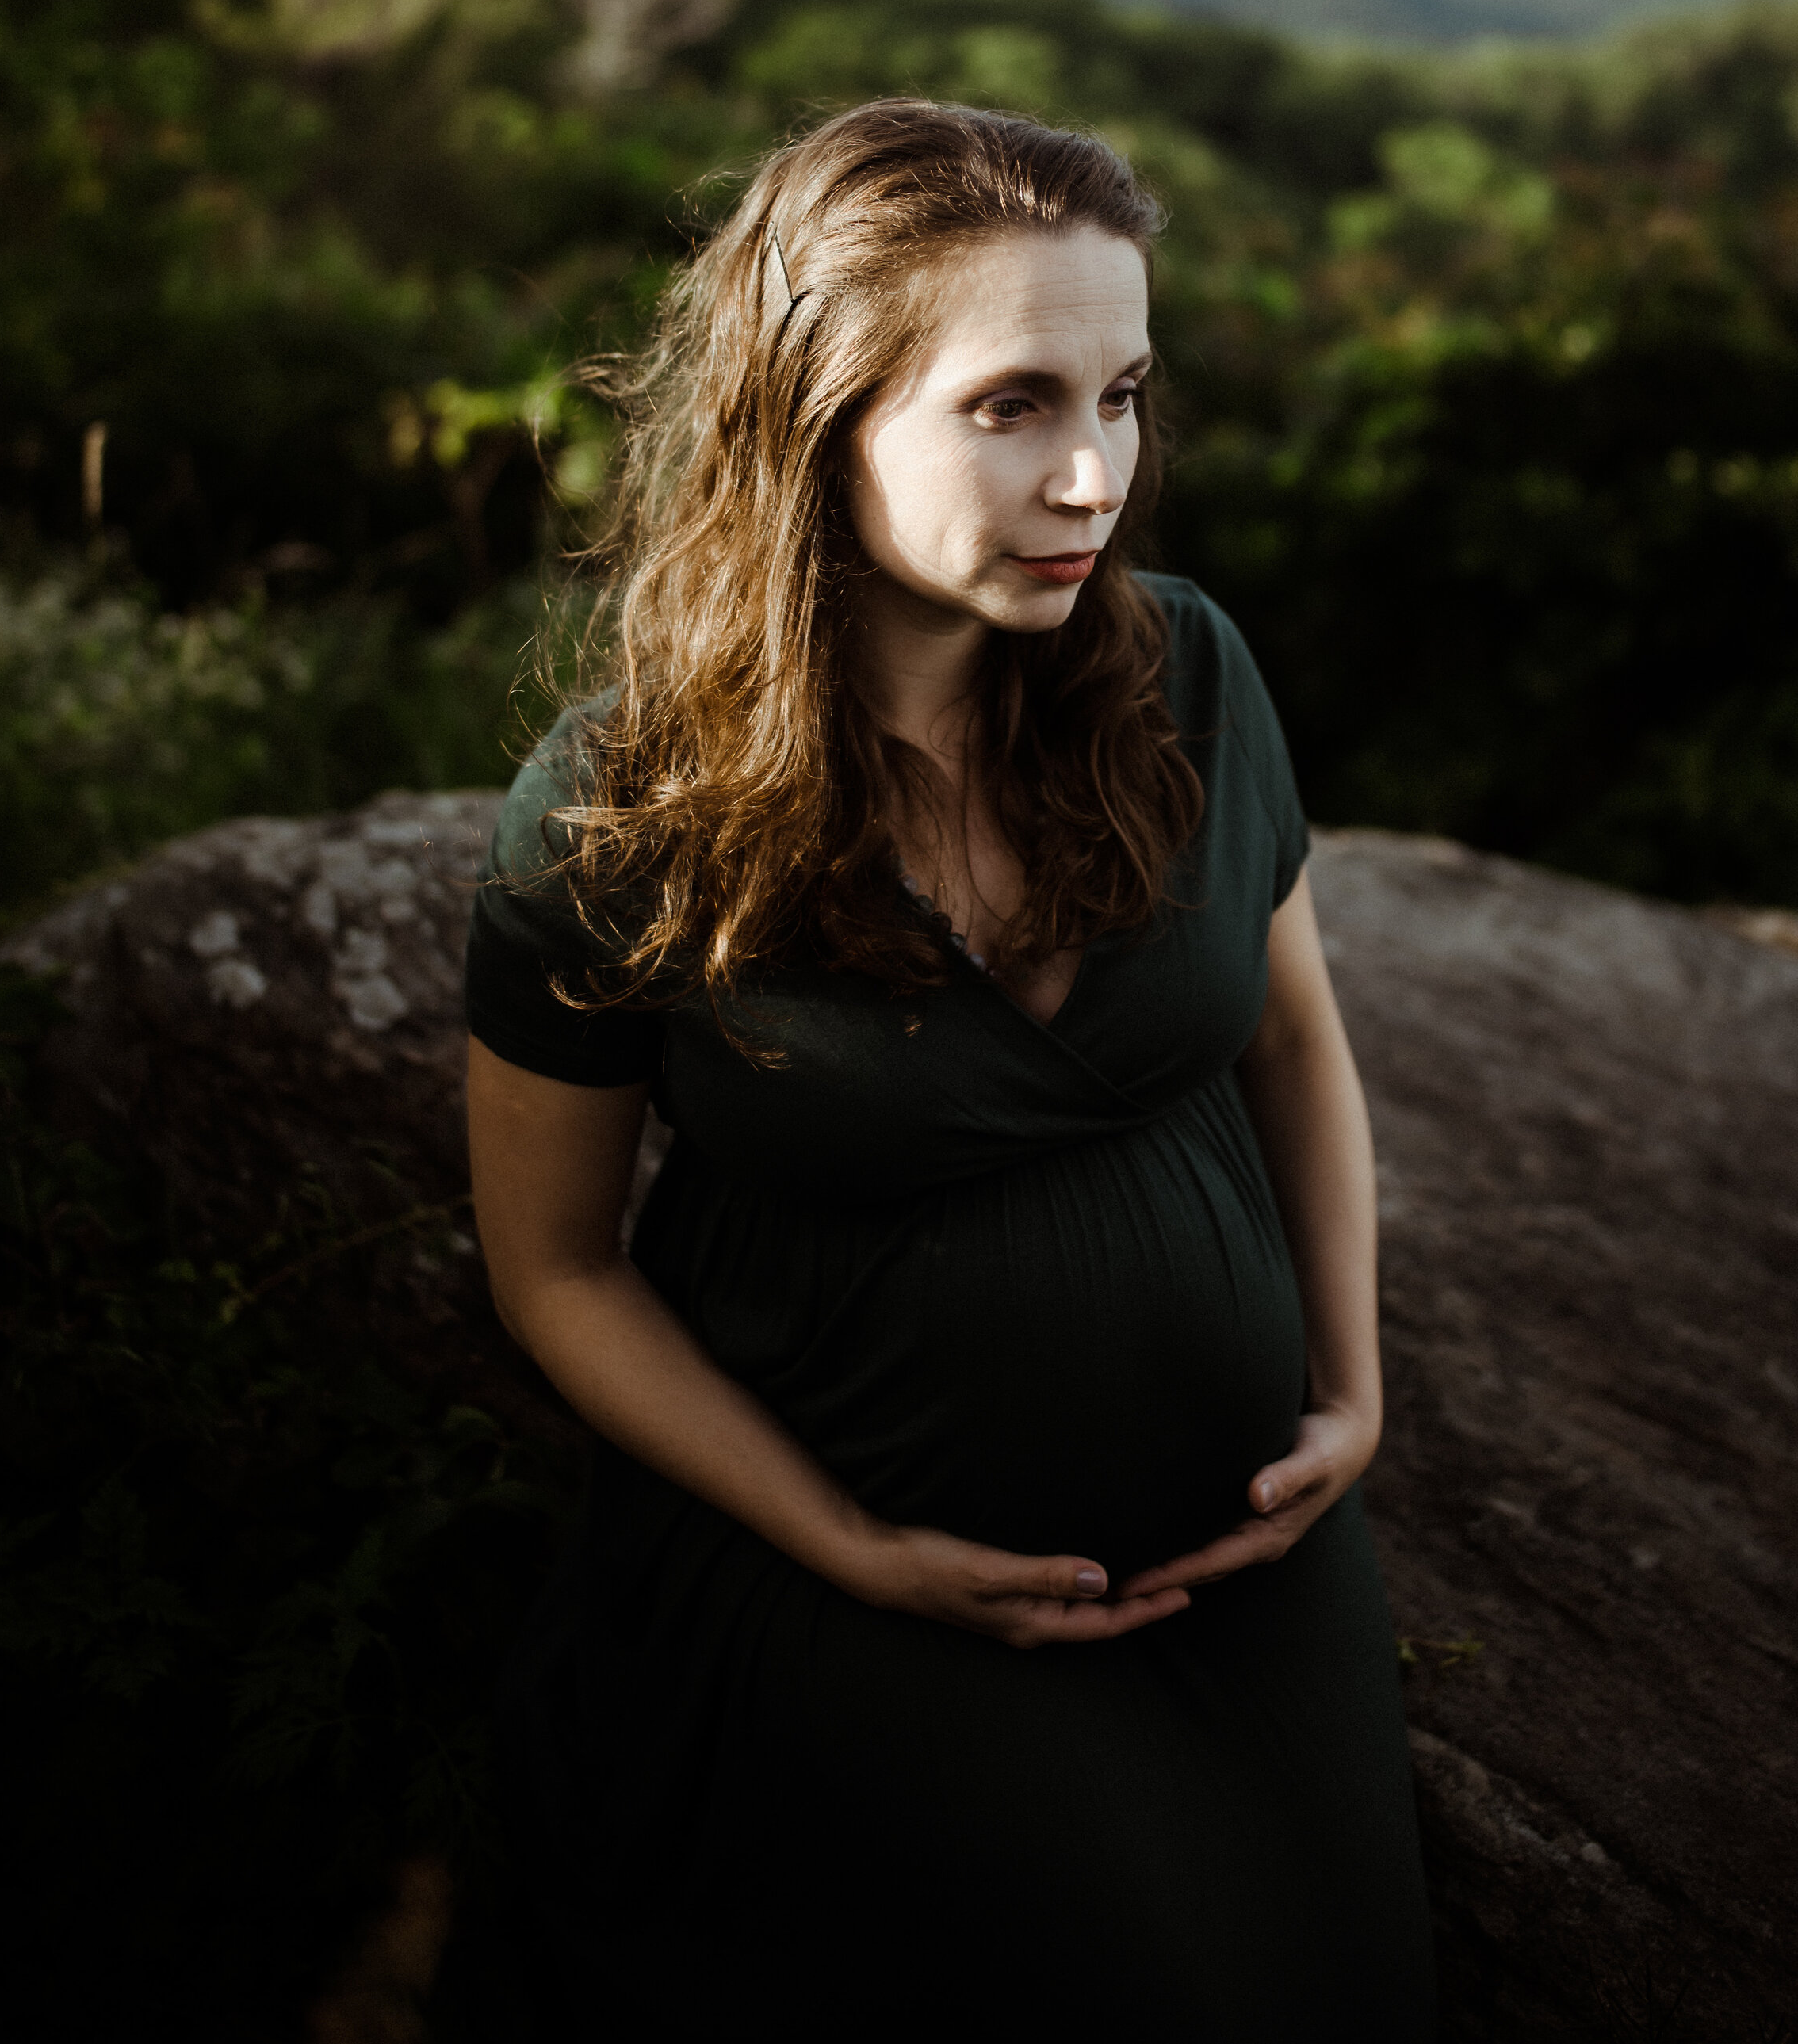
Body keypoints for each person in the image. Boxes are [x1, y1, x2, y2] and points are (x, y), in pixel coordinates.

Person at [462, 98, 1436, 2040]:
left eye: (1125, 393)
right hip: (862, 1581)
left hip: (1242, 1576)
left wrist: (1351, 1383)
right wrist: (851, 1551)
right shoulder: (618, 810)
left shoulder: (1188, 681)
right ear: (812, 421)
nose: (1093, 475)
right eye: (1011, 405)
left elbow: (1293, 1036)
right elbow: (556, 1268)